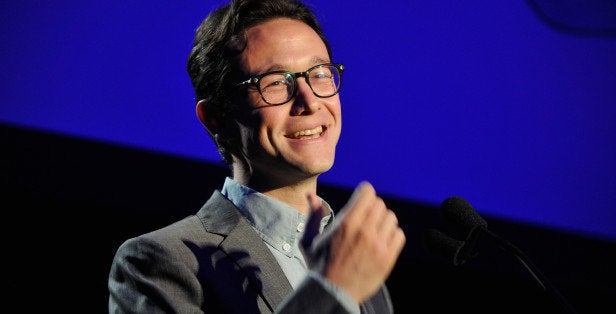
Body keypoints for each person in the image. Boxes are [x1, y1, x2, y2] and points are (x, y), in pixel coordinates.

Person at [107, 0, 406, 313]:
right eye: (276, 82)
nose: (309, 101)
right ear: (216, 117)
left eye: (319, 74)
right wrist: (331, 289)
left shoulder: (354, 263)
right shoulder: (161, 261)